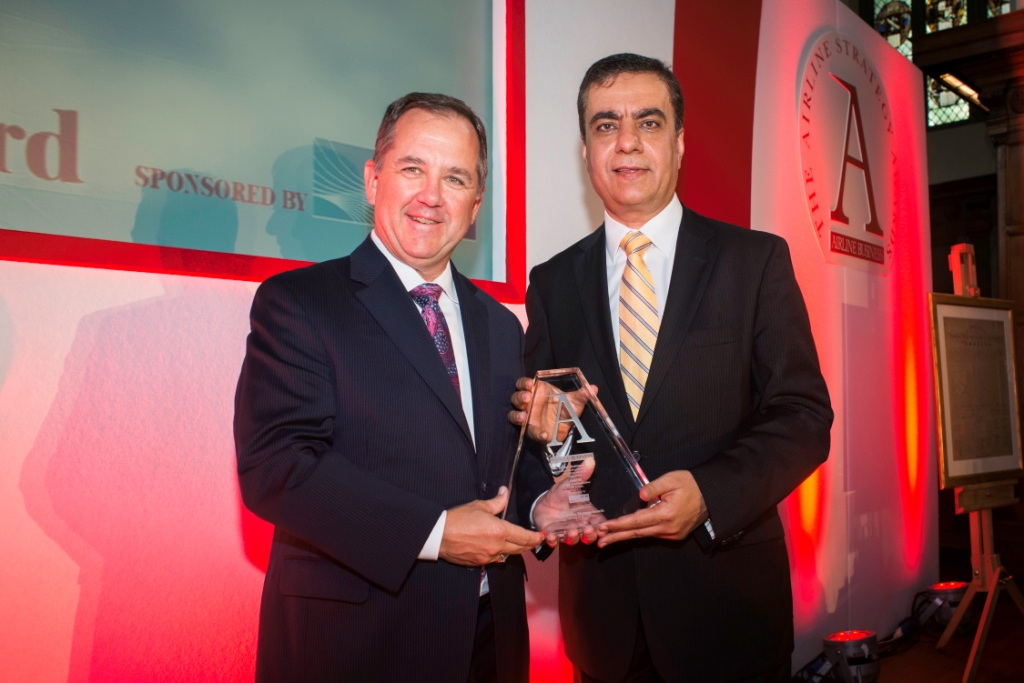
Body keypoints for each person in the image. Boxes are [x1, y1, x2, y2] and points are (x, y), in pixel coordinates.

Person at [510, 53, 834, 683]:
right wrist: (548, 459)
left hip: (728, 613)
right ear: (586, 150)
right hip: (603, 626)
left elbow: (802, 416)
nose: (627, 141)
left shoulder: (754, 262)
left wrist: (711, 494)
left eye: (649, 122)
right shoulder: (551, 283)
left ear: (680, 144)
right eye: (606, 125)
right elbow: (546, 435)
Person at [234, 92, 545, 683]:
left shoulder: (501, 325)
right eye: (412, 169)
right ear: (373, 181)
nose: (431, 195)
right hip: (359, 643)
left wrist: (543, 502)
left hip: (490, 641)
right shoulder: (299, 303)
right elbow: (277, 468)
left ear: (475, 207)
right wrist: (437, 534)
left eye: (455, 178)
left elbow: (493, 468)